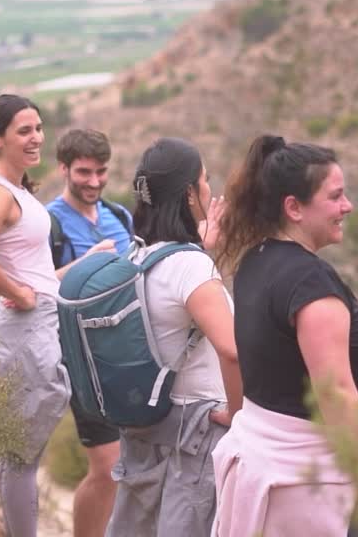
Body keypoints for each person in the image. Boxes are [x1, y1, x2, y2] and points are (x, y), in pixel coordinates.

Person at [210, 135, 358, 537]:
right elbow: (336, 393)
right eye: (336, 197)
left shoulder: (255, 261)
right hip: (316, 483)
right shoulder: (310, 283)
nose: (348, 207)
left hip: (274, 471)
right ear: (293, 207)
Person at [106, 137, 242, 537]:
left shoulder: (136, 256)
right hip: (196, 429)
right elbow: (232, 351)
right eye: (205, 181)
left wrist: (203, 248)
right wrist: (239, 416)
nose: (209, 190)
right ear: (188, 194)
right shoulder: (189, 267)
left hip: (147, 427)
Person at [0, 94, 70, 537]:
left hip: (36, 324)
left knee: (26, 454)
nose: (36, 138)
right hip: (22, 334)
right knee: (21, 458)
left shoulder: (17, 191)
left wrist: (85, 267)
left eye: (39, 128)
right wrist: (19, 294)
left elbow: (36, 275)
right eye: (24, 131)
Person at [44, 128, 131, 537]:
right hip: (81, 360)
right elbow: (32, 290)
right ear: (63, 168)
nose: (94, 181)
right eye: (83, 172)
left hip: (128, 357)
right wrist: (86, 267)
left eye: (101, 172)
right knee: (108, 468)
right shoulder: (48, 224)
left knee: (133, 465)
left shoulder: (121, 217)